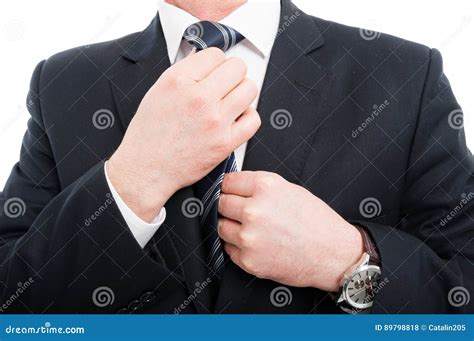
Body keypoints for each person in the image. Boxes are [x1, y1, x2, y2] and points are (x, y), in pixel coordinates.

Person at [0, 0, 472, 314]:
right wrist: (131, 181)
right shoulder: (62, 83)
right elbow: (11, 300)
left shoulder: (406, 74)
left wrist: (347, 259)